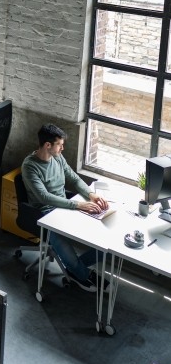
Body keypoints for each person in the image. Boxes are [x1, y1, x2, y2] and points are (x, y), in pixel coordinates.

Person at [21, 123, 109, 292]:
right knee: (62, 243)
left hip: (65, 207)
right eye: (60, 145)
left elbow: (74, 179)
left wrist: (91, 195)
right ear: (48, 145)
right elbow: (44, 197)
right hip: (44, 213)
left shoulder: (58, 158)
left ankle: (75, 268)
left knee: (103, 237)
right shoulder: (30, 166)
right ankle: (83, 275)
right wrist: (78, 205)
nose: (62, 148)